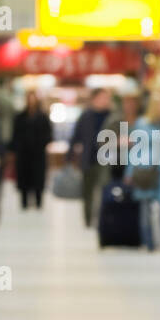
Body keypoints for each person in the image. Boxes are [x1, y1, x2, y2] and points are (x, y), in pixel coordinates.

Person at [128, 94, 160, 251]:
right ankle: (147, 241)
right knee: (145, 209)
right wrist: (129, 172)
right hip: (145, 171)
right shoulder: (142, 125)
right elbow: (135, 150)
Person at [68, 87, 113, 227]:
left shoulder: (112, 116)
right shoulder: (86, 116)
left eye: (106, 98)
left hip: (107, 160)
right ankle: (88, 220)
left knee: (104, 190)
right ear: (94, 99)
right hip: (89, 159)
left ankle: (101, 219)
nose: (105, 101)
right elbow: (76, 136)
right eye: (102, 97)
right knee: (88, 192)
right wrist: (69, 157)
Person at [10, 91, 52, 209]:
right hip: (23, 154)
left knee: (38, 178)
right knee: (24, 178)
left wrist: (40, 143)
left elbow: (49, 135)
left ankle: (39, 202)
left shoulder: (43, 117)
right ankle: (24, 202)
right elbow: (15, 136)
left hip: (38, 154)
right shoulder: (20, 117)